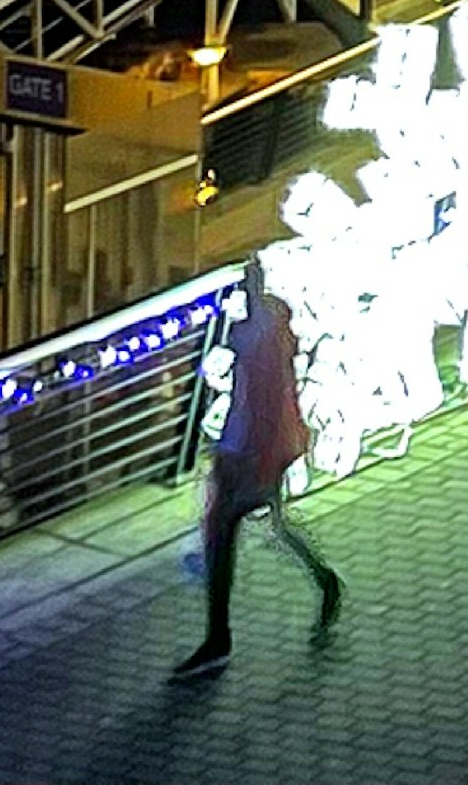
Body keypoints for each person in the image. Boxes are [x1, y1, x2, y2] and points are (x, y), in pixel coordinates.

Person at [172, 280, 344, 678]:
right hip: (256, 448)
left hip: (250, 451)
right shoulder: (270, 326)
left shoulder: (257, 338)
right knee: (269, 525)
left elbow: (261, 405)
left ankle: (218, 639)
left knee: (223, 533)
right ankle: (324, 580)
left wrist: (252, 459)